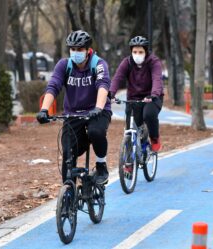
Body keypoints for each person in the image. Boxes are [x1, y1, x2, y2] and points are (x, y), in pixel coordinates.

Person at [36, 30, 111, 184]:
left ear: (88, 50)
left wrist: (98, 108)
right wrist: (44, 110)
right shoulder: (64, 65)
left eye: (80, 49)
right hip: (73, 113)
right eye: (73, 49)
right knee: (68, 152)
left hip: (96, 111)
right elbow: (53, 86)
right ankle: (68, 192)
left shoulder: (98, 64)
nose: (76, 53)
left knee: (95, 131)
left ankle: (101, 165)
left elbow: (103, 85)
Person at [109, 36, 164, 152]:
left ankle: (154, 138)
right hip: (133, 99)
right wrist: (111, 93)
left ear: (146, 51)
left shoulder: (153, 62)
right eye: (134, 52)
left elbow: (157, 79)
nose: (137, 54)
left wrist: (153, 94)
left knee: (148, 115)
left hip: (152, 98)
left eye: (140, 52)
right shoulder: (127, 62)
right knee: (130, 130)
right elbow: (118, 78)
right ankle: (128, 164)